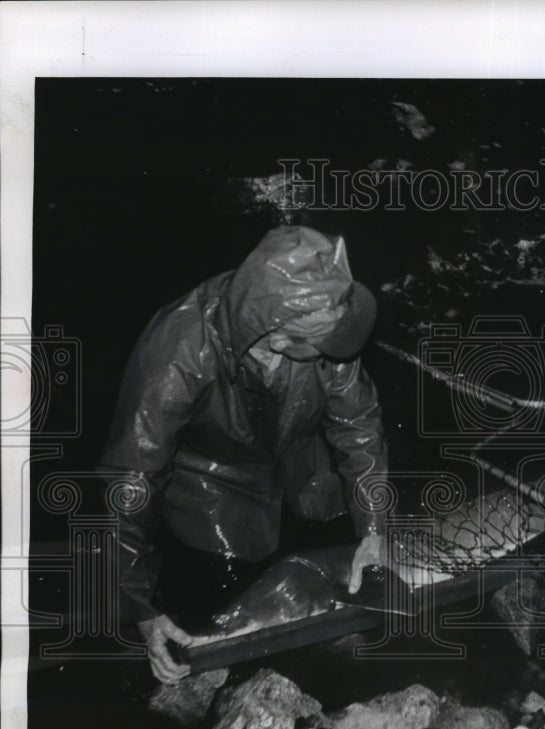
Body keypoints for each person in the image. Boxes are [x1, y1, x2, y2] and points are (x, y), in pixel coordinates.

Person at [99, 225, 388, 683]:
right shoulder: (175, 350)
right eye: (321, 343)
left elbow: (359, 425)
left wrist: (373, 528)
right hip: (212, 475)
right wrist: (140, 607)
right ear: (277, 338)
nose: (339, 348)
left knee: (335, 557)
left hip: (296, 453)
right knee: (222, 592)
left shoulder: (327, 323)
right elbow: (132, 475)